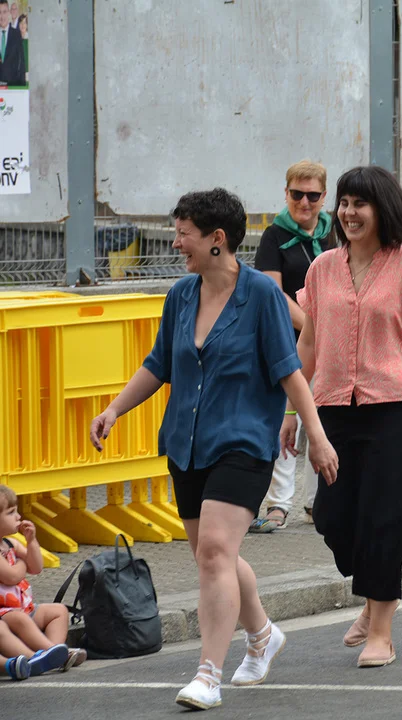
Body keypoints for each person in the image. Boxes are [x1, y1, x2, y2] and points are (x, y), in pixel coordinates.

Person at [89, 188, 339, 711]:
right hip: (187, 444)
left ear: (217, 239)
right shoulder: (181, 295)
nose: (176, 243)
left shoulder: (261, 295)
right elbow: (158, 364)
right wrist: (114, 409)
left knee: (216, 553)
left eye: (184, 234)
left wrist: (314, 435)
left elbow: (290, 371)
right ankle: (263, 634)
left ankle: (208, 673)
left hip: (243, 443)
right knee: (212, 556)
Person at [285, 166, 402, 668]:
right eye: (344, 203)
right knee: (332, 517)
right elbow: (308, 344)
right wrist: (291, 411)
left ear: (382, 209)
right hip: (333, 410)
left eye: (359, 204)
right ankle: (372, 592)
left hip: (397, 409)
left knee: (386, 519)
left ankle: (381, 630)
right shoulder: (322, 269)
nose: (348, 213)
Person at [250, 160, 334, 532]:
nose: (304, 202)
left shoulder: (334, 233)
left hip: (328, 343)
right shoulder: (274, 235)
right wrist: (316, 326)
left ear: (324, 197)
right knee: (285, 421)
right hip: (286, 342)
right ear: (286, 193)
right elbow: (274, 293)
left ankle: (318, 502)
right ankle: (278, 504)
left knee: (322, 420)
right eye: (297, 194)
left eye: (312, 195)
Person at [0, 486, 85, 672]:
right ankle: (41, 656)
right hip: (4, 614)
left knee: (59, 611)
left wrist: (31, 542)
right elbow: (12, 577)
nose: (18, 517)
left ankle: (55, 653)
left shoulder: (10, 543)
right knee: (19, 619)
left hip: (24, 609)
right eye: (11, 512)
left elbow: (36, 567)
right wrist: (22, 562)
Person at [0, 1, 27, 86]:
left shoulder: (17, 35)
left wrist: (21, 90)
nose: (2, 16)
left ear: (8, 13)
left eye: (4, 12)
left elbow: (21, 65)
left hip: (13, 87)